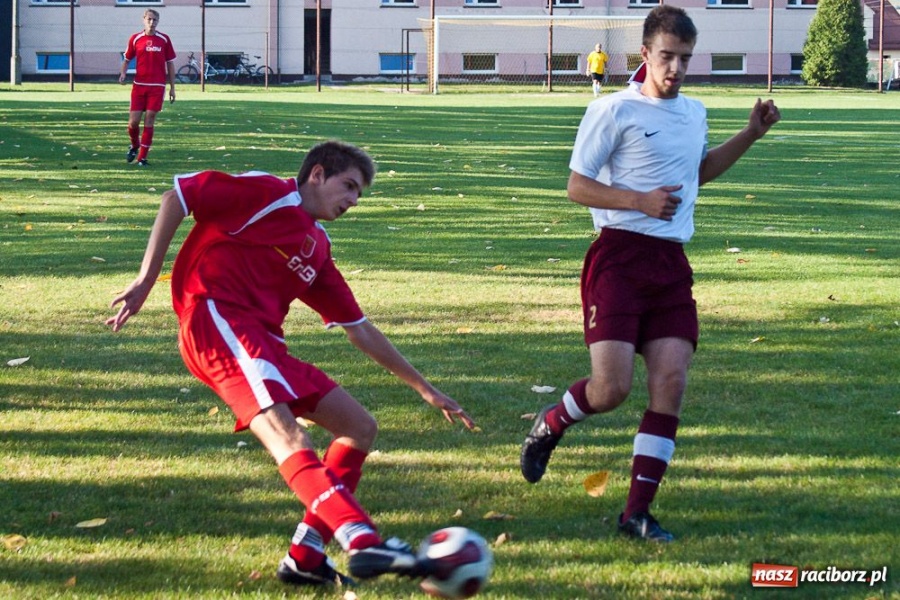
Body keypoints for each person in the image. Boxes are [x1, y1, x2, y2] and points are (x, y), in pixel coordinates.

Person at [107, 141, 476, 586]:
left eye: (360, 194)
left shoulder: (317, 247)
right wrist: (147, 279)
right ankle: (360, 538)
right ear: (317, 174)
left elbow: (359, 327)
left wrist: (424, 388)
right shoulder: (264, 193)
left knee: (359, 428)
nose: (353, 201)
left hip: (264, 344)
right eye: (349, 186)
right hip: (216, 320)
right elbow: (177, 199)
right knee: (286, 434)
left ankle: (305, 555)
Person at [520, 5, 780, 543]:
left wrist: (750, 134)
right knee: (611, 389)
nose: (676, 68)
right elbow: (577, 186)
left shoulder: (694, 112)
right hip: (617, 257)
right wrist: (637, 200)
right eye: (667, 57)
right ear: (645, 53)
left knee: (671, 384)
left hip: (669, 264)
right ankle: (552, 422)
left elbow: (697, 172)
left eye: (685, 58)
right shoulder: (614, 111)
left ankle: (636, 514)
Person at [119, 9, 176, 167]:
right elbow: (127, 59)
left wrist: (172, 88)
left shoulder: (164, 39)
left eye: (155, 20)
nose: (152, 22)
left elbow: (170, 64)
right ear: (144, 20)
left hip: (157, 87)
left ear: (158, 22)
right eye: (149, 19)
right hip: (139, 86)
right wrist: (123, 74)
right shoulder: (135, 39)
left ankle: (142, 158)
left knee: (149, 118)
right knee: (133, 123)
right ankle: (135, 145)